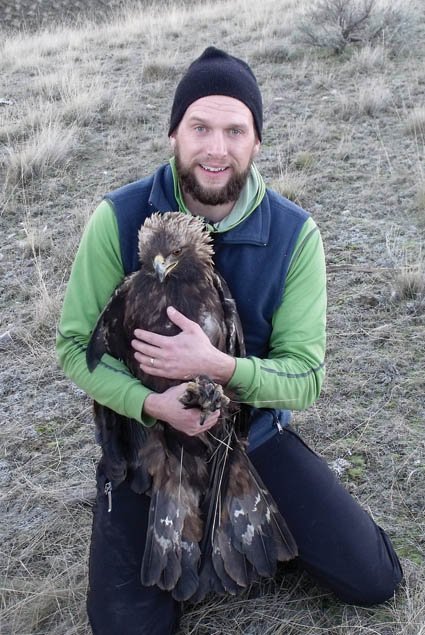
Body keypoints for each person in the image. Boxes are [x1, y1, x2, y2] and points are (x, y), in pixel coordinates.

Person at [56, 46, 402, 635]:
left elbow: (306, 375)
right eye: (200, 127)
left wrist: (221, 367)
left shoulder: (295, 235)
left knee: (373, 580)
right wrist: (150, 403)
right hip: (149, 444)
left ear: (256, 142)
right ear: (173, 135)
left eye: (235, 130)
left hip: (251, 437)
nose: (216, 148)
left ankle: (252, 527)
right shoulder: (117, 219)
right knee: (125, 629)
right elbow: (72, 349)